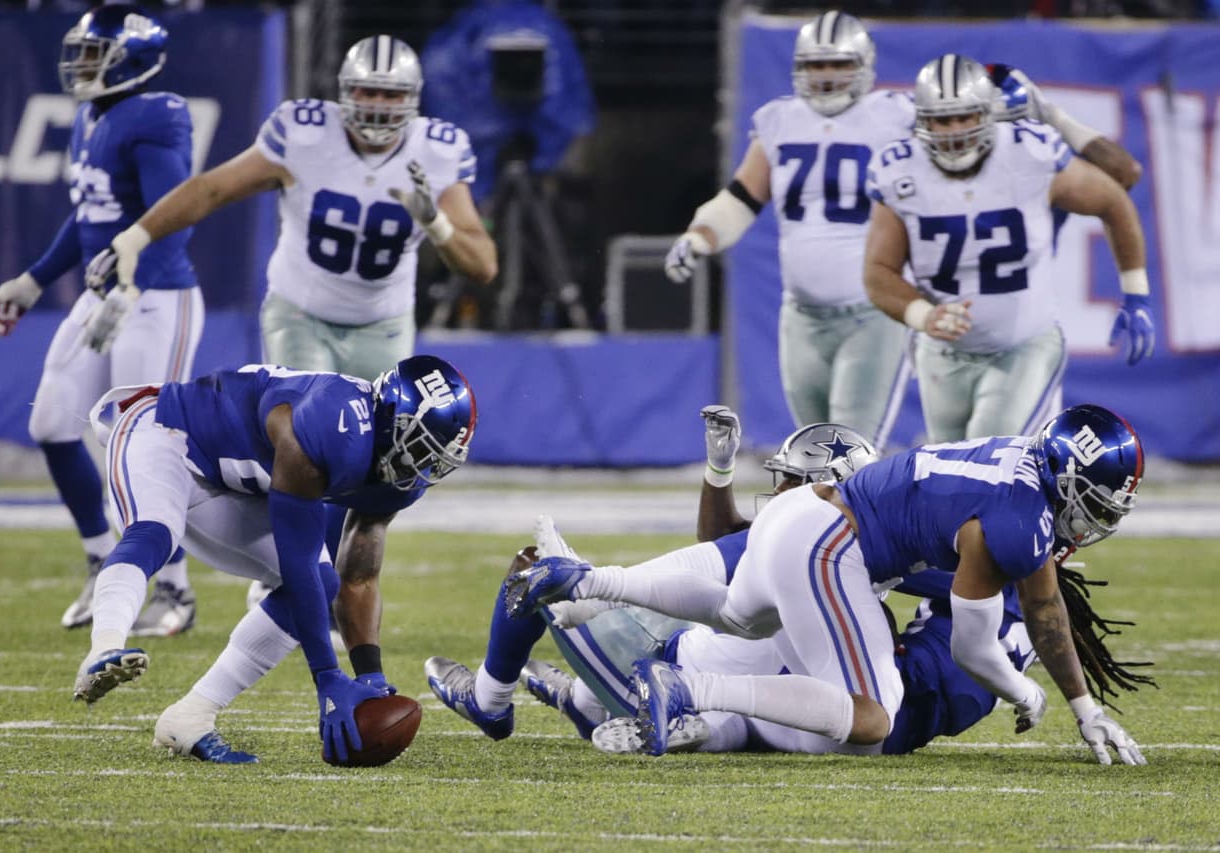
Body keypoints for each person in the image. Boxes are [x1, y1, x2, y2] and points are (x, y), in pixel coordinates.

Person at [506, 403, 1149, 765]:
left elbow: (1042, 605)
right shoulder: (1015, 524)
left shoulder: (1016, 460)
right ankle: (687, 688)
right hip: (833, 545)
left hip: (807, 517)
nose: (1097, 519)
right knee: (871, 717)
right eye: (1094, 502)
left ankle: (589, 582)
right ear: (1064, 481)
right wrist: (1024, 694)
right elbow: (975, 649)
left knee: (737, 615)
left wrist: (1083, 706)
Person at [80, 34, 498, 584]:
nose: (377, 105)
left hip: (383, 322)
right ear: (344, 92)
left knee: (370, 465)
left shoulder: (437, 150)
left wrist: (436, 223)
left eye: (392, 95)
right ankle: (283, 580)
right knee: (309, 444)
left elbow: (483, 265)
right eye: (367, 91)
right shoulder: (304, 132)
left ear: (415, 100)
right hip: (301, 311)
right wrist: (136, 237)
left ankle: (327, 588)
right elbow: (210, 189)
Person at [663, 15, 1144, 448]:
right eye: (816, 65)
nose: (827, 76)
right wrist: (701, 233)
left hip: (928, 320)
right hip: (835, 318)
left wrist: (1048, 116)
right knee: (817, 450)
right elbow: (746, 199)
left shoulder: (914, 120)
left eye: (838, 63)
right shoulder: (788, 124)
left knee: (877, 450)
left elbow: (1117, 180)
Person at [70, 355, 477, 764]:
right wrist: (327, 677)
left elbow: (358, 577)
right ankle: (103, 647)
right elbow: (295, 559)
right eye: (422, 448)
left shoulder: (398, 475)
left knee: (326, 583)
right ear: (395, 419)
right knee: (154, 533)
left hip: (228, 481)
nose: (424, 468)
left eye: (437, 459)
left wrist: (370, 674)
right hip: (165, 430)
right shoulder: (331, 425)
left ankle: (190, 716)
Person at [422, 411, 879, 744]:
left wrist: (590, 587)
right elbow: (726, 541)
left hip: (667, 684)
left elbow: (699, 560)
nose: (779, 493)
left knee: (534, 567)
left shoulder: (805, 545)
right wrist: (719, 470)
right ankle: (583, 702)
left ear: (826, 487)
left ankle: (490, 700)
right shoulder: (861, 562)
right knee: (690, 616)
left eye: (793, 482)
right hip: (715, 692)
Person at [0, 4, 202, 637]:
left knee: (139, 443)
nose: (79, 65)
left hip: (157, 296)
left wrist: (134, 290)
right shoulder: (88, 115)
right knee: (52, 419)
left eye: (93, 53)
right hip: (103, 293)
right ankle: (105, 560)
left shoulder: (157, 114)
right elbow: (90, 217)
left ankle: (175, 590)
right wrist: (32, 281)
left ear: (130, 59)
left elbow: (171, 214)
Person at [862, 54, 1155, 443]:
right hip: (945, 349)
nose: (953, 132)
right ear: (921, 119)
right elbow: (878, 270)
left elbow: (1119, 186)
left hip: (1021, 338)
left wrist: (1136, 292)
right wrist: (924, 315)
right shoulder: (900, 170)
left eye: (964, 117)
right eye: (941, 120)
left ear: (989, 115)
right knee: (946, 471)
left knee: (989, 452)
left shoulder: (1030, 152)